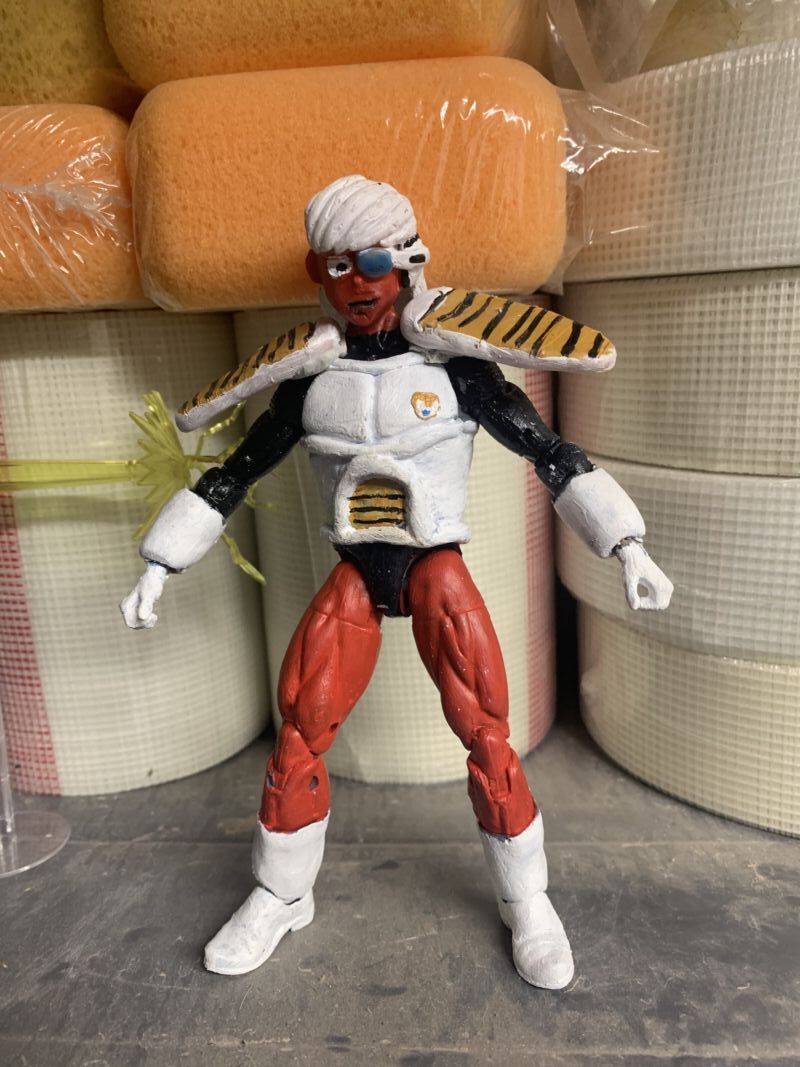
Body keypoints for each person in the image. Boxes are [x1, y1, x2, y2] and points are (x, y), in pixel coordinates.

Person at [121, 175, 672, 989]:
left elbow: (550, 451)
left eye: (373, 262)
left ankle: (528, 900)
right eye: (338, 266)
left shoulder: (459, 369)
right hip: (356, 569)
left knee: (488, 731)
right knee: (299, 727)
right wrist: (161, 560)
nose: (359, 284)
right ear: (319, 272)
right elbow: (236, 470)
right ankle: (280, 893)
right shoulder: (309, 379)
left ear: (409, 261)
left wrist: (626, 544)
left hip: (434, 564)